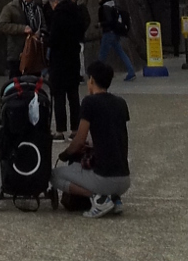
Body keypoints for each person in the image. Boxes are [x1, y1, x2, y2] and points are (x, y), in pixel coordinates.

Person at [52, 60, 131, 218]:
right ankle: (115, 199)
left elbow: (79, 140)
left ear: (92, 80)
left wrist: (65, 154)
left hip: (104, 178)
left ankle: (99, 198)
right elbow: (114, 133)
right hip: (124, 179)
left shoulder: (90, 102)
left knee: (55, 175)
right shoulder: (121, 103)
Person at [48, 0, 90, 139]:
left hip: (59, 59)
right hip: (73, 58)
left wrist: (47, 40)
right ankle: (75, 129)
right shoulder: (77, 12)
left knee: (58, 95)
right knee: (73, 95)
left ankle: (60, 131)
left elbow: (54, 39)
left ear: (54, 2)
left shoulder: (57, 15)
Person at [0, 0, 47, 77]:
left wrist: (40, 34)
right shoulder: (11, 7)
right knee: (16, 83)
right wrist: (21, 29)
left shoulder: (38, 9)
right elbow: (1, 25)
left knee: (33, 82)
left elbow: (43, 26)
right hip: (17, 52)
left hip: (35, 52)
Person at [96, 0, 136, 80]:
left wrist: (100, 24)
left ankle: (97, 74)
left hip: (108, 33)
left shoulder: (104, 7)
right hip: (116, 32)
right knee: (121, 52)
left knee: (102, 55)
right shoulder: (114, 5)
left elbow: (109, 20)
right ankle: (131, 71)